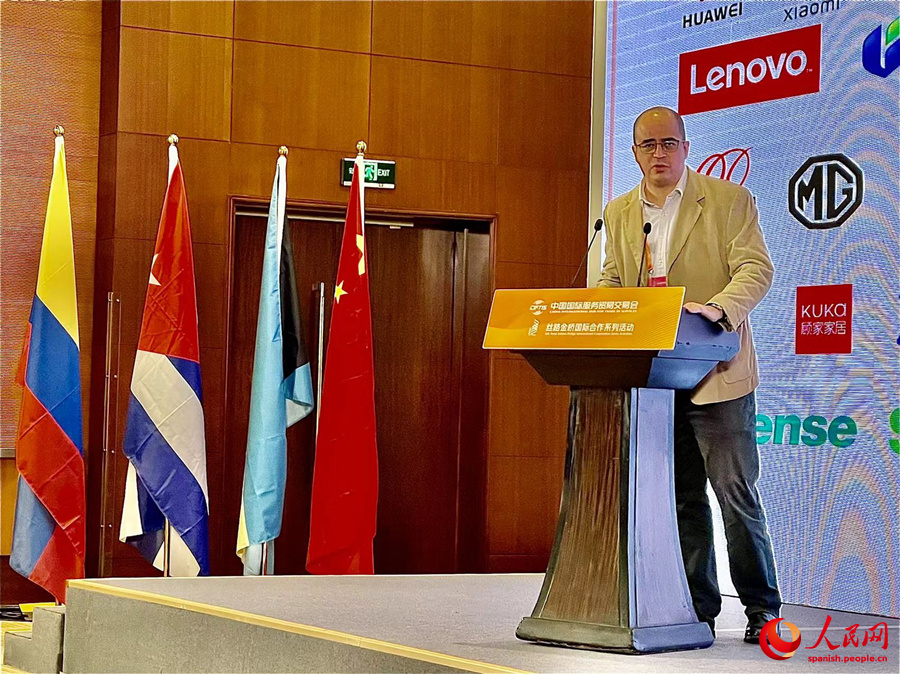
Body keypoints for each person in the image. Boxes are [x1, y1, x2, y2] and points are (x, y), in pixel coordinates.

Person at [597, 106, 781, 642]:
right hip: (654, 380)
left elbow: (755, 268)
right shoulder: (620, 211)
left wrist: (719, 308)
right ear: (634, 152)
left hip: (716, 371)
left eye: (668, 143)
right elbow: (613, 278)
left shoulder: (728, 201)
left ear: (685, 146)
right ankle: (696, 609)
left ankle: (762, 608)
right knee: (681, 499)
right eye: (648, 145)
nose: (659, 154)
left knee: (734, 492)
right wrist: (603, 314)